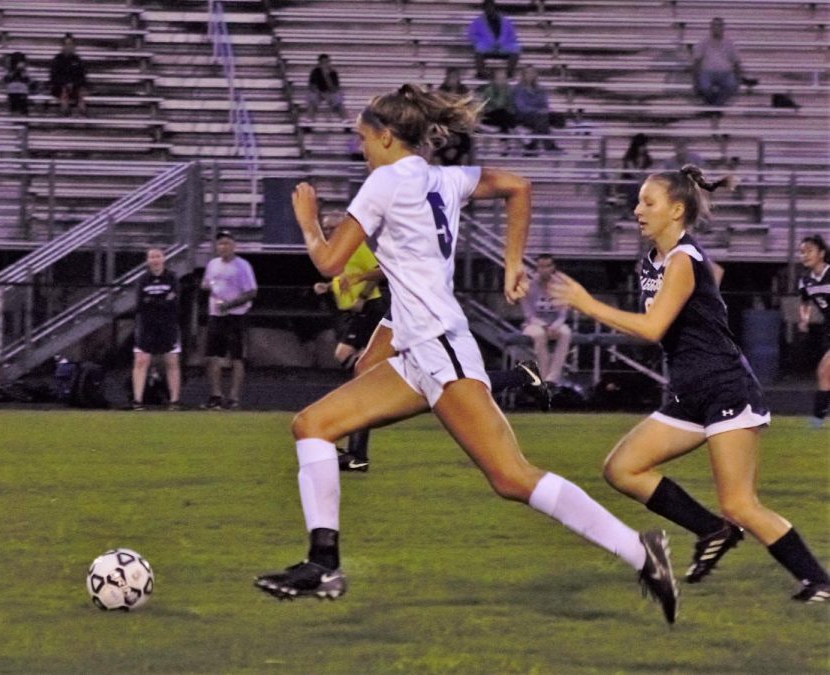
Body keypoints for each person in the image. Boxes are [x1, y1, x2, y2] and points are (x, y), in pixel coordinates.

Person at [254, 84, 679, 625]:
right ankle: (323, 564)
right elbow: (518, 186)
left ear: (386, 136)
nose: (360, 148)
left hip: (439, 350)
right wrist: (511, 263)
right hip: (417, 352)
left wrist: (309, 220)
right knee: (312, 425)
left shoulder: (384, 181)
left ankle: (641, 554)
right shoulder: (441, 178)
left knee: (512, 477)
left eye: (363, 138)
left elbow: (330, 263)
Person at [550, 165, 829, 603]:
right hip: (689, 393)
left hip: (725, 390)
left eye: (648, 202)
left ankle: (819, 581)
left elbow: (653, 327)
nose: (637, 209)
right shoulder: (653, 261)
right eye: (639, 201)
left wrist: (587, 304)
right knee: (622, 469)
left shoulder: (682, 259)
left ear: (676, 210)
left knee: (740, 503)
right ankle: (711, 531)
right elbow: (698, 288)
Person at [313, 212, 387, 472]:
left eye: (331, 228)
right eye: (325, 229)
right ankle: (357, 454)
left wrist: (363, 297)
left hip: (369, 308)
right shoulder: (339, 252)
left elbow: (378, 271)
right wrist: (327, 288)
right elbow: (346, 278)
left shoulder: (355, 246)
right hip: (354, 313)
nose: (328, 233)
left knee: (345, 355)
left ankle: (371, 376)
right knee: (357, 374)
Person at [201, 230, 257, 410]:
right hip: (216, 315)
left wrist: (230, 305)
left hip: (236, 316)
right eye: (220, 244)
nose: (223, 247)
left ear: (233, 246)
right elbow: (207, 283)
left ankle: (233, 397)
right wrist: (208, 288)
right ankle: (216, 394)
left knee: (236, 356)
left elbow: (251, 292)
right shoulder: (212, 264)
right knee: (213, 356)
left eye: (227, 243)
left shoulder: (242, 266)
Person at [131, 248, 182, 411]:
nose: (155, 260)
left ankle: (174, 400)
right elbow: (140, 303)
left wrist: (153, 301)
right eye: (152, 257)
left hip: (168, 325)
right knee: (141, 361)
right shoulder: (143, 279)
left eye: (158, 256)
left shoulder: (172, 277)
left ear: (164, 258)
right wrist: (161, 301)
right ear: (147, 260)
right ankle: (137, 400)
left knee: (171, 361)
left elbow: (173, 301)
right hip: (147, 325)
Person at [520, 255, 571, 385]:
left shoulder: (561, 285)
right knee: (539, 334)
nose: (544, 270)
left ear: (553, 267)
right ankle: (543, 376)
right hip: (533, 324)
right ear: (537, 268)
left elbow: (563, 312)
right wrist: (544, 325)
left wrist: (554, 326)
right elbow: (528, 313)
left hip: (555, 323)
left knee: (566, 332)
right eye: (541, 266)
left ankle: (552, 378)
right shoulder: (528, 285)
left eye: (547, 266)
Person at [796, 234, 830, 429]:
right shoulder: (806, 281)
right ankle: (818, 418)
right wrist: (804, 320)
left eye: (809, 251)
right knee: (825, 373)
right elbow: (805, 303)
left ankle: (818, 418)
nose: (805, 255)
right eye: (802, 252)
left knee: (824, 370)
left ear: (822, 253)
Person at [692, 18, 747, 107]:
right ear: (711, 28)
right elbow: (696, 62)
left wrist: (738, 79)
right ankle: (716, 107)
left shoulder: (729, 43)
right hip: (707, 72)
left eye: (719, 25)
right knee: (704, 87)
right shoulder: (703, 42)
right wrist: (695, 81)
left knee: (731, 85)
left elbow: (736, 62)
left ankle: (714, 107)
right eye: (714, 25)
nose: (717, 28)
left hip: (726, 73)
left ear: (723, 28)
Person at [467, 0, 520, 79]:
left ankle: (509, 73)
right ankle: (482, 73)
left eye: (491, 7)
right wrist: (485, 42)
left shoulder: (505, 21)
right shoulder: (477, 22)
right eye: (487, 8)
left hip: (502, 47)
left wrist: (502, 43)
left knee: (516, 48)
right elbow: (472, 35)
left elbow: (512, 35)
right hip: (487, 47)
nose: (489, 9)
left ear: (495, 8)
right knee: (478, 48)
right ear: (484, 9)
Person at [512, 66, 560, 153]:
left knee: (542, 119)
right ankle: (549, 146)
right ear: (523, 75)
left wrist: (544, 111)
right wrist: (537, 110)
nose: (530, 75)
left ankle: (532, 147)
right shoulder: (517, 89)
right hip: (523, 116)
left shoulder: (541, 89)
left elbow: (545, 104)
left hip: (539, 117)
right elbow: (521, 107)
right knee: (542, 119)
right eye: (528, 73)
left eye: (533, 73)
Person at [436, 68, 472, 165]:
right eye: (451, 77)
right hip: (445, 127)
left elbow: (468, 109)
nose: (453, 79)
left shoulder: (464, 90)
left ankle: (463, 176)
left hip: (460, 127)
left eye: (455, 77)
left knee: (465, 148)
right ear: (446, 78)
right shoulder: (440, 91)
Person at [50, 33, 88, 117]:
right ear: (63, 46)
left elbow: (82, 77)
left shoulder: (78, 60)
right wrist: (65, 84)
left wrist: (73, 84)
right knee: (64, 94)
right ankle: (65, 116)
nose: (69, 47)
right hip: (60, 88)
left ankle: (83, 118)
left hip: (75, 88)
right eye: (66, 44)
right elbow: (53, 77)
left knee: (81, 95)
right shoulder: (57, 60)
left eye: (70, 44)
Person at [618, 133, 653, 217]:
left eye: (644, 146)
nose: (643, 148)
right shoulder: (629, 157)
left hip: (641, 183)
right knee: (635, 187)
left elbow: (649, 171)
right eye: (642, 146)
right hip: (629, 183)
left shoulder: (646, 157)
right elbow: (633, 172)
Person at [305, 54, 346, 124]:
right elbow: (311, 86)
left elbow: (335, 89)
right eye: (323, 62)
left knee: (337, 97)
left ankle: (344, 118)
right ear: (319, 63)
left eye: (327, 62)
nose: (325, 64)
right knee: (312, 97)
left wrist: (326, 76)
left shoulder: (333, 73)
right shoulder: (315, 72)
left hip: (330, 93)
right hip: (318, 93)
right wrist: (319, 92)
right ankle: (310, 118)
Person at [477, 69, 515, 134]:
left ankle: (505, 130)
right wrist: (503, 92)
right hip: (490, 116)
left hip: (504, 117)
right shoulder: (489, 90)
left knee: (505, 115)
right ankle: (514, 128)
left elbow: (511, 107)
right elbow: (498, 105)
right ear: (494, 80)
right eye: (499, 79)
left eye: (504, 78)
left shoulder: (509, 89)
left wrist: (509, 109)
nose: (502, 81)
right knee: (502, 112)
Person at [3, 51, 35, 117]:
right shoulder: (9, 70)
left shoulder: (25, 71)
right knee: (14, 107)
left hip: (22, 91)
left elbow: (28, 80)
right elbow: (6, 79)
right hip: (12, 91)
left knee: (23, 107)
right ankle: (15, 120)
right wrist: (15, 71)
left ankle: (23, 120)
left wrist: (22, 72)